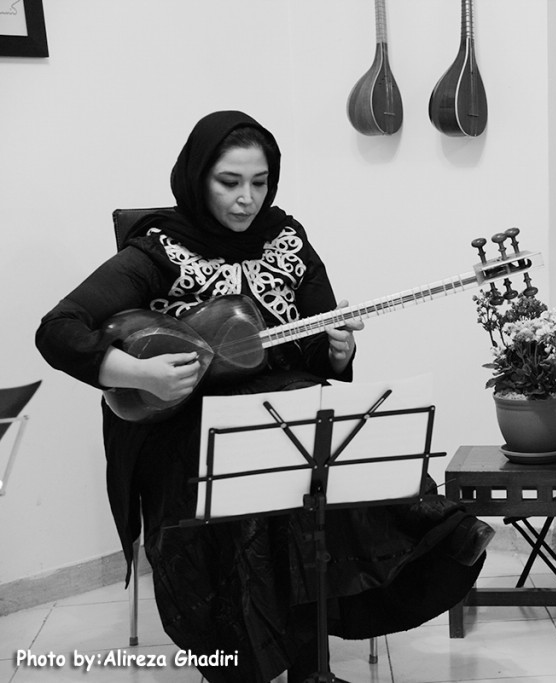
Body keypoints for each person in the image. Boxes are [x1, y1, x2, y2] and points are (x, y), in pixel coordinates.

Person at [36, 110, 494, 683]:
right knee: (255, 489)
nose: (246, 199)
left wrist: (338, 351)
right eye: (229, 182)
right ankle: (249, 658)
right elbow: (58, 329)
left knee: (327, 466)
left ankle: (320, 655)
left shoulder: (288, 240)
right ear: (197, 177)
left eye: (260, 182)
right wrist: (139, 373)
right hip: (182, 419)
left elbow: (318, 343)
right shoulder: (157, 249)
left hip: (283, 404)